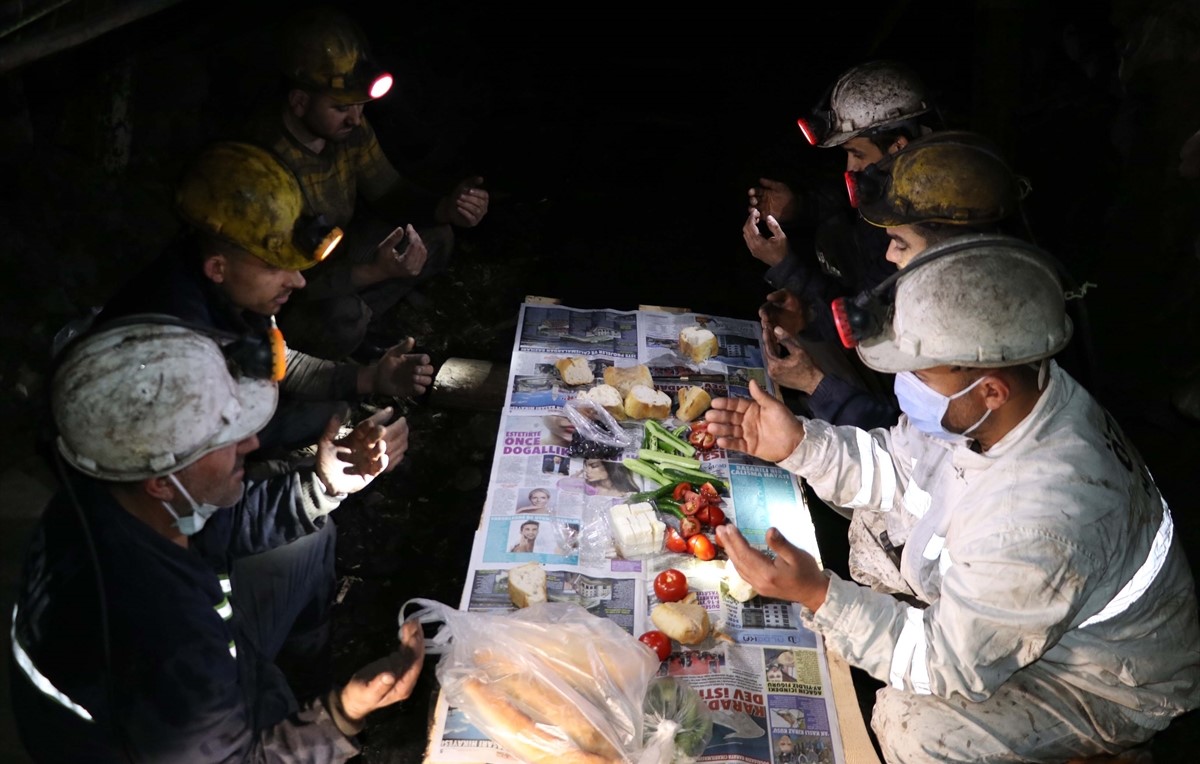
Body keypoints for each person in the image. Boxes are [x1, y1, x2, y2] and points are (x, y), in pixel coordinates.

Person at [707, 236, 1200, 762]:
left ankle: (1103, 751)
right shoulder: (1015, 396)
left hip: (1103, 679)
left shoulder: (1039, 518)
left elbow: (945, 664)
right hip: (1031, 596)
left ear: (990, 390)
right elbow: (896, 468)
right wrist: (800, 444)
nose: (903, 385)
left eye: (919, 374)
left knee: (911, 724)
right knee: (871, 538)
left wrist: (821, 596)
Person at [10, 320, 425, 761]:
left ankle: (299, 680)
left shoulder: (109, 497)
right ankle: (285, 705)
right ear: (161, 481)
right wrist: (342, 714)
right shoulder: (162, 632)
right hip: (170, 732)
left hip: (190, 682)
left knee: (308, 541)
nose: (249, 442)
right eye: (223, 438)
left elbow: (222, 527)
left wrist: (323, 483)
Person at [99, 141, 434, 455]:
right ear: (218, 267)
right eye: (277, 267)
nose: (299, 281)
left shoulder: (221, 282)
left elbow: (281, 361)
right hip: (151, 445)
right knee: (316, 418)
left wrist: (371, 377)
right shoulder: (181, 342)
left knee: (330, 409)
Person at [246, 6, 490, 359]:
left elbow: (390, 190)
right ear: (299, 101)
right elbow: (291, 284)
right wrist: (376, 271)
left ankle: (368, 314)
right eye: (342, 107)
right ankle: (348, 339)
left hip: (339, 254)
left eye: (360, 105)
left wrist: (447, 207)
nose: (356, 118)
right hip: (291, 289)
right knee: (339, 318)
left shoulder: (349, 132)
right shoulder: (267, 164)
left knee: (437, 233)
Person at [759, 131, 1026, 431]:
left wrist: (814, 384)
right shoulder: (935, 286)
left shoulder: (962, 317)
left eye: (900, 242)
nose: (888, 254)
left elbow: (902, 434)